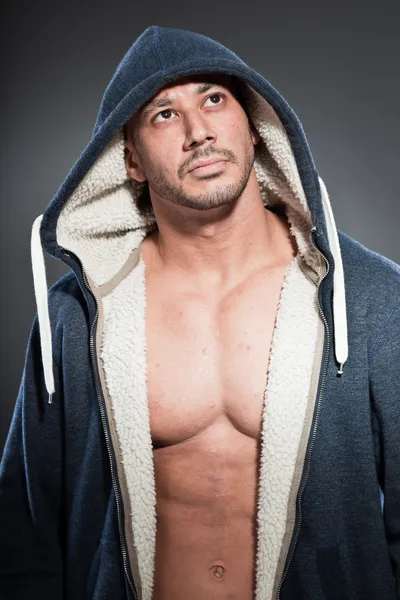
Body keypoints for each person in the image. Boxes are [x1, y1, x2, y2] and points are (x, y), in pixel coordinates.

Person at [0, 24, 399, 600]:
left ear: (255, 127)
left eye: (214, 99)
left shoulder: (370, 299)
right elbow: (25, 533)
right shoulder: (78, 314)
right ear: (131, 160)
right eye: (164, 114)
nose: (198, 132)